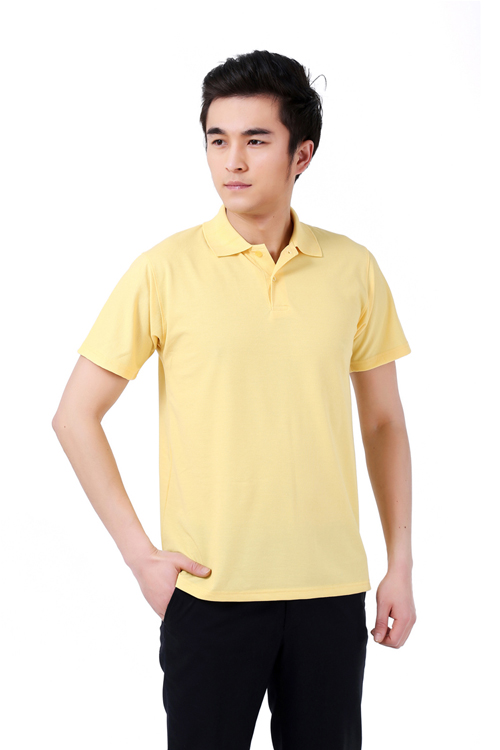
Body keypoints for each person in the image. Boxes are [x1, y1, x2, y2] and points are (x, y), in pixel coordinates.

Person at [52, 49, 416, 750]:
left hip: (329, 593)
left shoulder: (353, 269)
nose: (233, 161)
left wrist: (398, 563)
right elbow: (75, 416)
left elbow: (383, 423)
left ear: (302, 153)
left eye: (256, 140)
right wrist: (140, 555)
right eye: (217, 140)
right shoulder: (164, 270)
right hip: (210, 592)